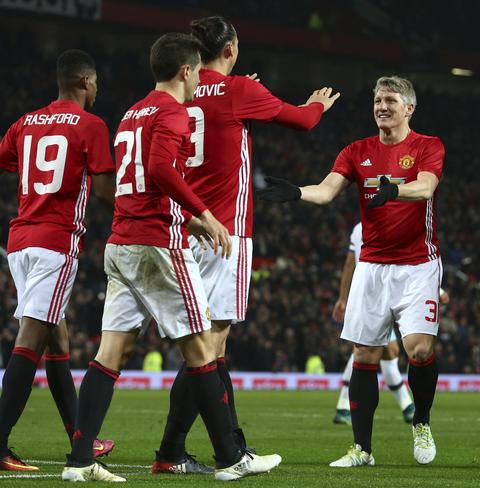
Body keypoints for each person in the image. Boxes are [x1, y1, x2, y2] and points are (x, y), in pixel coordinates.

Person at [60, 33, 281, 482]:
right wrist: (202, 213)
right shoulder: (174, 112)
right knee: (202, 349)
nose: (202, 78)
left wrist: (195, 220)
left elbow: (142, 182)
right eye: (198, 71)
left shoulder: (131, 114)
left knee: (110, 354)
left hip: (122, 241)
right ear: (185, 71)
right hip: (158, 244)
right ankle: (229, 458)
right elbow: (160, 170)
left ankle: (79, 461)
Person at [153, 15, 340, 472]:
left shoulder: (188, 91)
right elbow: (303, 121)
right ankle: (222, 452)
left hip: (184, 228)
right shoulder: (241, 91)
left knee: (201, 346)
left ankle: (175, 452)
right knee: (212, 347)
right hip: (226, 233)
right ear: (231, 49)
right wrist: (317, 103)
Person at [259, 76, 444, 467]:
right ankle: (362, 449)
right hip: (372, 266)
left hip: (417, 266)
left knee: (420, 349)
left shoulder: (428, 146)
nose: (382, 106)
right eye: (377, 99)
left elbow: (426, 187)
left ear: (409, 108)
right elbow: (326, 191)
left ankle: (422, 422)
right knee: (365, 353)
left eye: (390, 100)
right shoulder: (356, 151)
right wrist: (297, 193)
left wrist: (395, 191)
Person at [0, 49, 115, 472]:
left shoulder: (25, 123)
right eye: (97, 81)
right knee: (30, 339)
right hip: (56, 243)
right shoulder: (91, 126)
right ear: (84, 82)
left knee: (57, 342)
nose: (98, 88)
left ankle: (81, 440)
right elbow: (103, 192)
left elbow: (5, 162)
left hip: (20, 243)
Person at [332, 222, 415, 425]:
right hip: (378, 291)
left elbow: (349, 264)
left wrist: (343, 298)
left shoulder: (358, 227)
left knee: (381, 350)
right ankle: (406, 405)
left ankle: (405, 405)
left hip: (367, 290)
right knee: (374, 349)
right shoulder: (391, 223)